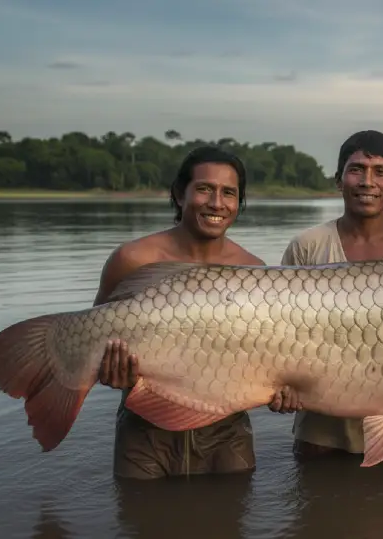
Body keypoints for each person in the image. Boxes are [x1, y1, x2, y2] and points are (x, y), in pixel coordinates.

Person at [269, 129, 383, 458]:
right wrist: (282, 386)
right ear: (339, 180)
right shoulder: (308, 247)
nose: (368, 182)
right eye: (357, 170)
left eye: (380, 172)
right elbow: (281, 333)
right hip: (320, 434)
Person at [94, 145, 268, 479]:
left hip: (226, 433)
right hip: (146, 429)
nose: (217, 203)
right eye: (204, 189)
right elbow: (100, 344)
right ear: (178, 193)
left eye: (229, 193)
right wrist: (112, 371)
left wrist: (287, 388)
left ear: (239, 203)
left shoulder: (254, 270)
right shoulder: (132, 260)